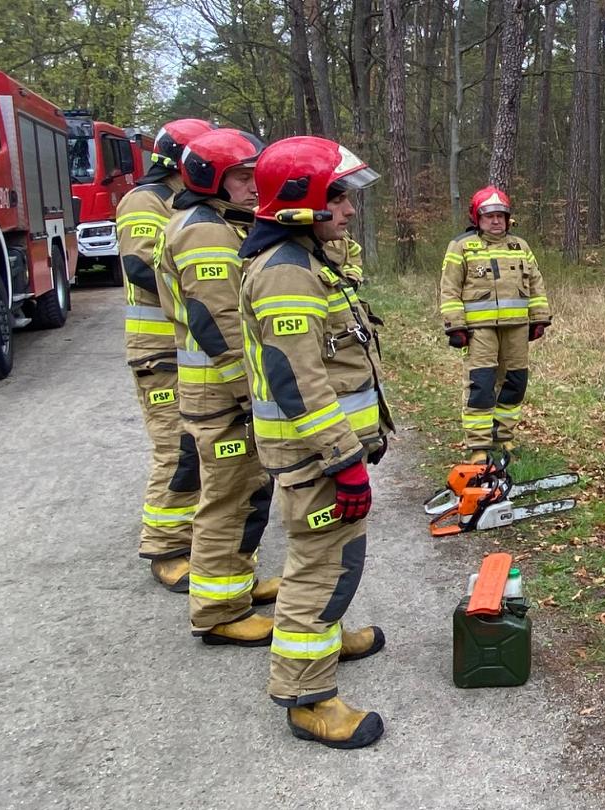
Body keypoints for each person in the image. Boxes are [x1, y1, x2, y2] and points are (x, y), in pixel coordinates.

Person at [237, 136, 391, 749]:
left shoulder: (303, 259)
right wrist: (344, 460)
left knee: (334, 560)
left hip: (324, 454)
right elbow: (297, 382)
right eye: (339, 197)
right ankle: (309, 699)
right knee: (319, 571)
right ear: (302, 204)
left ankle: (329, 643)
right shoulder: (285, 274)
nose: (350, 210)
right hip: (316, 458)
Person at [155, 128, 282, 643]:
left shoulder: (219, 222)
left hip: (227, 393)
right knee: (227, 499)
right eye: (241, 177)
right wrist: (247, 389)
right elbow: (219, 321)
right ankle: (219, 612)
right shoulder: (204, 230)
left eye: (256, 175)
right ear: (210, 178)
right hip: (221, 395)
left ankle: (237, 583)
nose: (254, 186)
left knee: (247, 490)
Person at [115, 118, 214, 591]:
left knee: (197, 445)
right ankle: (166, 547)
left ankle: (193, 535)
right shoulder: (145, 200)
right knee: (177, 448)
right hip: (159, 352)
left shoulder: (180, 202)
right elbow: (139, 265)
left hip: (184, 352)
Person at [438, 187, 551, 463]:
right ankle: (479, 446)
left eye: (501, 215)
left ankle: (505, 437)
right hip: (479, 331)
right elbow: (449, 288)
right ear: (477, 218)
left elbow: (536, 283)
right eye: (489, 216)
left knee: (515, 382)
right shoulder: (461, 247)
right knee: (482, 384)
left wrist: (539, 318)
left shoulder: (520, 247)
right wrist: (456, 326)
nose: (496, 221)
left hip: (517, 328)